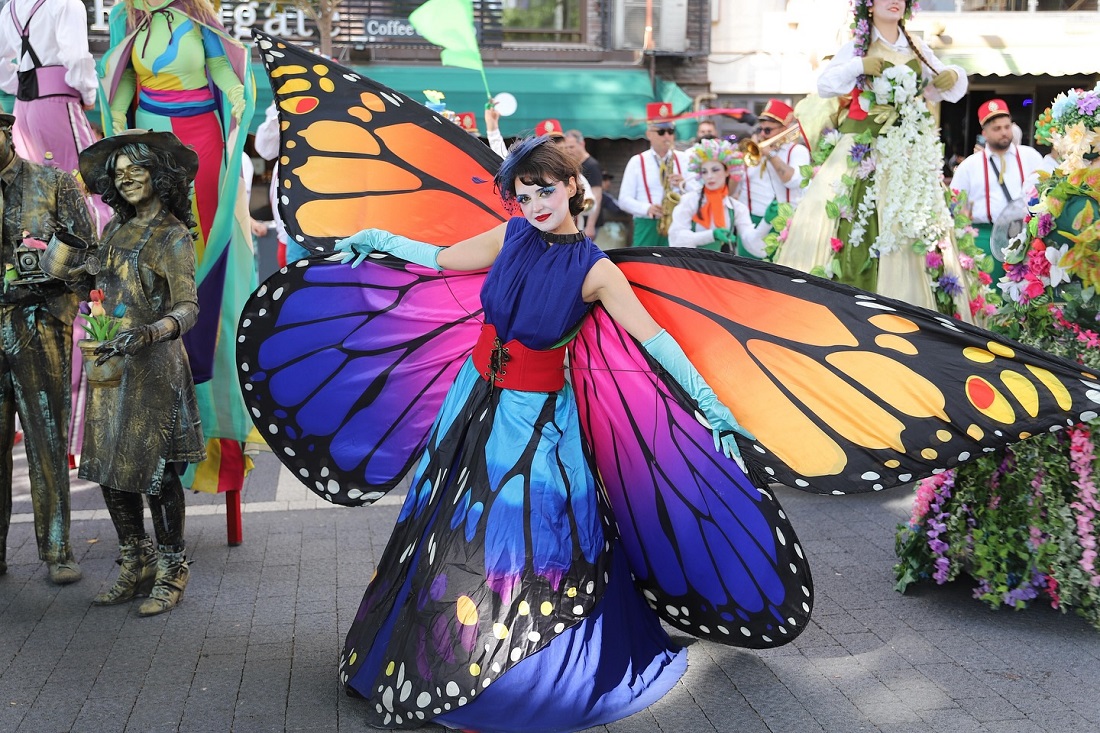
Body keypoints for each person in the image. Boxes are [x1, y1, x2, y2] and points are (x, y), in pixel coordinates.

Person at [331, 135, 751, 730]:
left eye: (545, 191)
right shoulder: (512, 236)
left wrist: (709, 404)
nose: (534, 204)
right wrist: (379, 241)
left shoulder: (597, 270)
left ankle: (503, 672)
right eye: (523, 195)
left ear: (574, 187)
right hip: (472, 401)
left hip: (534, 421)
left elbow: (654, 340)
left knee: (518, 537)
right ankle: (421, 659)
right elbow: (443, 259)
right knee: (446, 531)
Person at [99, 0, 258, 494]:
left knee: (200, 252)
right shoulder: (126, 16)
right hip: (148, 138)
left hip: (201, 141)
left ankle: (208, 387)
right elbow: (124, 76)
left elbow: (218, 65)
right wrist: (120, 116)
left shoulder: (198, 13)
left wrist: (236, 96)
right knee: (150, 250)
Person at [57, 129, 204, 615]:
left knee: (158, 475)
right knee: (108, 472)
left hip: (154, 369)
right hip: (110, 366)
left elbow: (188, 309)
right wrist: (70, 266)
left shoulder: (173, 236)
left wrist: (145, 333)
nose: (125, 181)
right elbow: (91, 282)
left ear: (159, 176)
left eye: (135, 171)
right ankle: (133, 560)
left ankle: (171, 567)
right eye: (118, 175)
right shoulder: (115, 231)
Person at [774, 0, 974, 318]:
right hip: (860, 148)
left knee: (913, 226)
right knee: (849, 221)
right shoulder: (857, 44)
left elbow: (941, 89)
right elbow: (825, 86)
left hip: (907, 154)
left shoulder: (916, 45)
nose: (895, 2)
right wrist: (858, 66)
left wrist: (951, 75)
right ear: (869, 5)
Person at [0, 111, 94, 584]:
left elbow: (89, 255)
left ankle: (57, 549)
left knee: (46, 442)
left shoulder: (55, 182)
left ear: (5, 132)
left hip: (39, 325)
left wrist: (58, 290)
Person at [949, 99, 1045, 282]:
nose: (1003, 132)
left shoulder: (1031, 156)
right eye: (996, 128)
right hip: (984, 238)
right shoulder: (969, 166)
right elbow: (954, 206)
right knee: (988, 298)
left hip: (1026, 236)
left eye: (1007, 127)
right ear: (984, 133)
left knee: (1025, 296)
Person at [669, 138, 768, 257]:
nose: (709, 176)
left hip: (721, 270)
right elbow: (676, 240)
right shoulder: (689, 201)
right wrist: (712, 235)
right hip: (693, 268)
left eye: (715, 170)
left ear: (727, 172)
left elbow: (755, 247)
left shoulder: (736, 208)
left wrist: (766, 222)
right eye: (704, 172)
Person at [618, 102, 694, 246]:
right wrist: (647, 208)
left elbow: (698, 192)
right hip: (647, 224)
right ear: (649, 134)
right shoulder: (637, 161)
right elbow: (623, 200)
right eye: (661, 132)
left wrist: (685, 183)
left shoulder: (684, 159)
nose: (667, 137)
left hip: (678, 223)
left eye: (670, 132)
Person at [736, 99, 809, 232]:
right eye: (761, 129)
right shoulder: (755, 149)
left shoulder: (797, 151)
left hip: (781, 223)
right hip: (751, 220)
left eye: (768, 130)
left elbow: (794, 181)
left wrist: (771, 155)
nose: (762, 134)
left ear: (784, 129)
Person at [563, 128, 604, 239]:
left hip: (588, 220)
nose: (568, 151)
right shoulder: (572, 165)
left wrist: (590, 225)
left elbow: (597, 196)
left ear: (582, 144)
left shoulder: (592, 165)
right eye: (566, 148)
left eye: (571, 147)